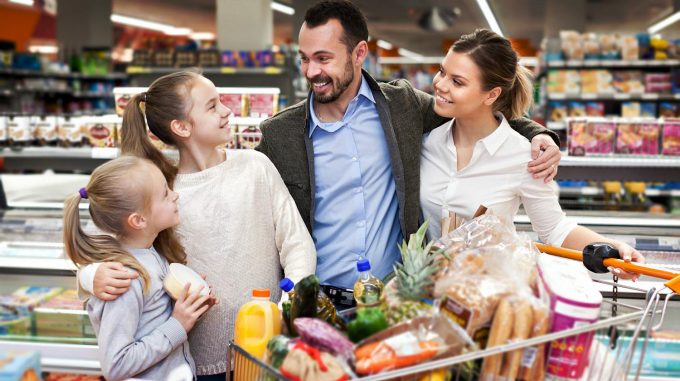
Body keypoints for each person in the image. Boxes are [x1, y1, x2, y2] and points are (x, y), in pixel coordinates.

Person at [255, 0, 562, 296]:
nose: (310, 71)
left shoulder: (402, 106)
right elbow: (250, 211)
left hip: (395, 298)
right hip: (318, 300)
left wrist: (539, 134)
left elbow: (475, 113)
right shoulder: (280, 135)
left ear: (359, 52)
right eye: (304, 58)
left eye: (323, 59)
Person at [78, 71, 317, 380]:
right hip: (190, 362)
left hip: (264, 351)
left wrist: (289, 306)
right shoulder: (159, 189)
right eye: (212, 106)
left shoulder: (255, 167)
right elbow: (97, 239)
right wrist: (90, 275)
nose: (227, 111)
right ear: (181, 126)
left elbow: (297, 244)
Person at [419, 29, 644, 279]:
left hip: (487, 292)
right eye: (442, 72)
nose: (440, 84)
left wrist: (613, 249)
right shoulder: (425, 142)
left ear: (492, 94)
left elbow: (555, 229)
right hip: (424, 293)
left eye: (457, 81)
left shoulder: (523, 156)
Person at [63, 156, 215, 380]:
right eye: (165, 193)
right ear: (138, 220)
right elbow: (116, 365)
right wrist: (177, 324)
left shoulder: (152, 255)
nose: (175, 195)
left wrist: (190, 307)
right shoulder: (126, 279)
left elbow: (151, 322)